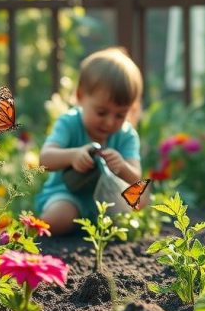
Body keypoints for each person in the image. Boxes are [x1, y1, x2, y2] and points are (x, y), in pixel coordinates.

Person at [36, 47, 143, 235]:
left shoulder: (127, 136)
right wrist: (73, 156)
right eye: (101, 112)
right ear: (80, 96)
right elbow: (44, 160)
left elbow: (136, 180)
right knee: (60, 217)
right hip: (68, 195)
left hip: (108, 202)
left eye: (120, 115)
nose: (110, 122)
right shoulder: (69, 123)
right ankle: (27, 235)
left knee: (137, 207)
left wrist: (123, 167)